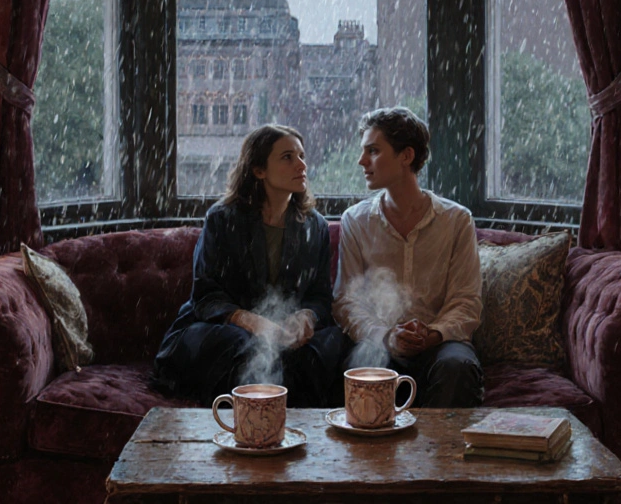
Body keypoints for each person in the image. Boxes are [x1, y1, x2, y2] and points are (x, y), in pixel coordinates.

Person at [153, 124, 347, 407]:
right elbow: (206, 294)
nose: (302, 165)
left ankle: (292, 420)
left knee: (332, 345)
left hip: (284, 333)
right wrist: (255, 323)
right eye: (287, 157)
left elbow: (320, 296)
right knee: (247, 347)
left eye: (302, 156)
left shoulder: (314, 225)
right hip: (223, 328)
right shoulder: (222, 219)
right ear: (258, 170)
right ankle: (252, 418)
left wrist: (305, 317)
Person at [332, 106, 483, 407]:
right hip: (380, 343)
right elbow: (346, 301)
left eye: (373, 151)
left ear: (406, 156)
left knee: (458, 368)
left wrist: (433, 334)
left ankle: (439, 440)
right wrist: (387, 336)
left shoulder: (456, 220)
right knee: (364, 370)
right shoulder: (356, 220)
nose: (362, 161)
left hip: (441, 344)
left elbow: (466, 301)